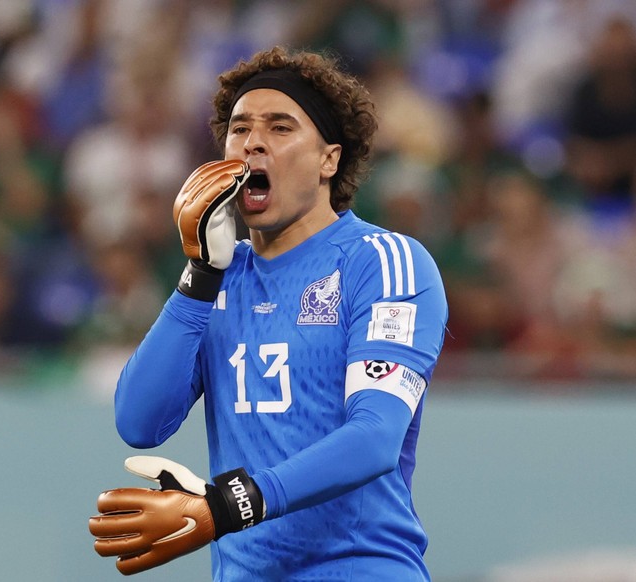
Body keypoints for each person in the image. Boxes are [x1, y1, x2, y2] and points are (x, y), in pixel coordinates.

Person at [89, 46, 448, 581]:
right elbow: (139, 421)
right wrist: (199, 278)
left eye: (281, 127)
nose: (253, 141)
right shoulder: (216, 277)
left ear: (330, 158)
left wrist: (226, 505)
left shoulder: (384, 262)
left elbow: (375, 435)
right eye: (239, 129)